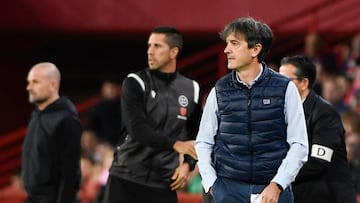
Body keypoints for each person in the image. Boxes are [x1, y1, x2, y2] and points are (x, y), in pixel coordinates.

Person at [195, 17, 309, 203]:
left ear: (256, 49)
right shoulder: (219, 90)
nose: (226, 50)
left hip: (273, 192)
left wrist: (278, 184)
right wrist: (211, 184)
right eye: (227, 43)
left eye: (234, 43)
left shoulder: (285, 88)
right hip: (227, 190)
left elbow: (300, 144)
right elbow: (203, 142)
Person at [102, 26, 202, 203]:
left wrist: (188, 164)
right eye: (149, 46)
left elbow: (195, 134)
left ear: (173, 52)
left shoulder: (192, 89)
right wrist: (175, 144)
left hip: (163, 183)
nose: (150, 51)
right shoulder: (135, 82)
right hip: (125, 179)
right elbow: (137, 128)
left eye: (157, 46)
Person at [279, 55, 357, 203]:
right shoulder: (283, 114)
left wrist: (280, 177)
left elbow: (318, 162)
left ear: (304, 83)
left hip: (327, 197)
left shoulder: (325, 114)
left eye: (286, 81)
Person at [22, 62, 82, 203]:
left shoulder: (67, 119)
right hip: (32, 198)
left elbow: (70, 173)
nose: (29, 87)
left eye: (35, 82)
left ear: (53, 85)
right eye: (29, 82)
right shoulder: (36, 115)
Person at [87, 79, 122, 147]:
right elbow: (91, 128)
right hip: (102, 144)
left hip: (121, 143)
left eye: (113, 88)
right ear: (103, 89)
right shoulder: (97, 108)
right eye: (108, 88)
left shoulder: (123, 106)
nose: (111, 91)